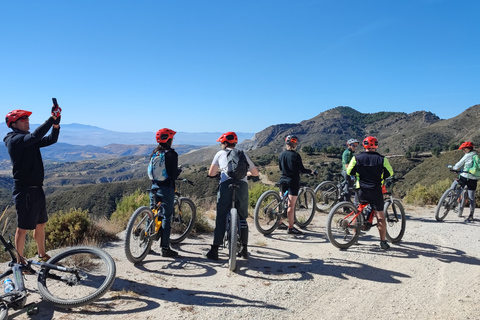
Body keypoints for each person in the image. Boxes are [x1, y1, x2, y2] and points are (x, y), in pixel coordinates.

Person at [3, 104, 61, 263]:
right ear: (13, 124)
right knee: (22, 229)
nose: (27, 121)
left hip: (37, 189)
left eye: (27, 118)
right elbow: (36, 136)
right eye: (23, 119)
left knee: (41, 224)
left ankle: (42, 255)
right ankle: (20, 261)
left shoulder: (28, 140)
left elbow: (51, 139)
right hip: (24, 190)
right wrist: (51, 119)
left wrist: (56, 125)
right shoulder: (13, 140)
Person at [206, 132, 259, 260]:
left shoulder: (219, 154)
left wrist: (220, 173)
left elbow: (211, 173)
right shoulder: (242, 154)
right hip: (242, 186)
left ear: (224, 143)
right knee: (242, 216)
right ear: (234, 143)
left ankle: (214, 250)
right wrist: (248, 174)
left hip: (226, 186)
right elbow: (255, 172)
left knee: (221, 216)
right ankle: (245, 249)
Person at [347, 136, 394, 250]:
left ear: (364, 145)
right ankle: (383, 242)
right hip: (375, 190)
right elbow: (390, 173)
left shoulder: (356, 158)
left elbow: (349, 171)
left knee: (357, 211)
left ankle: (355, 237)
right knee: (380, 217)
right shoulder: (382, 159)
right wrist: (381, 177)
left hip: (361, 189)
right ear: (376, 145)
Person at [148, 128, 182, 257]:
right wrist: (179, 171)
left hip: (154, 187)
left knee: (152, 213)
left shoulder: (154, 153)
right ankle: (165, 248)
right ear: (169, 139)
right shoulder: (171, 154)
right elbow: (172, 175)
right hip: (166, 188)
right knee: (167, 216)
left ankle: (147, 243)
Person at [277, 135, 316, 235]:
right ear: (295, 144)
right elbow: (302, 170)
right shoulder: (295, 155)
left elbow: (281, 168)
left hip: (282, 179)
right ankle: (291, 228)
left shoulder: (281, 154)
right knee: (291, 206)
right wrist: (311, 172)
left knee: (280, 201)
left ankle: (279, 222)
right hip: (292, 181)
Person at [448, 141, 479, 222]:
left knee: (456, 183)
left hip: (465, 176)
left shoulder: (467, 155)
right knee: (472, 198)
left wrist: (454, 168)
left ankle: (452, 199)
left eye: (464, 149)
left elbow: (459, 164)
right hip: (474, 178)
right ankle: (471, 215)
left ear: (468, 148)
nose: (463, 150)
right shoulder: (476, 155)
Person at [342, 138, 359, 205]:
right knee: (348, 190)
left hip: (346, 171)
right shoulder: (348, 153)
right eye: (353, 145)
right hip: (347, 172)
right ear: (349, 145)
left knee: (346, 186)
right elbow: (347, 165)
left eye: (356, 145)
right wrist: (351, 175)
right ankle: (346, 207)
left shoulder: (349, 152)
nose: (355, 147)